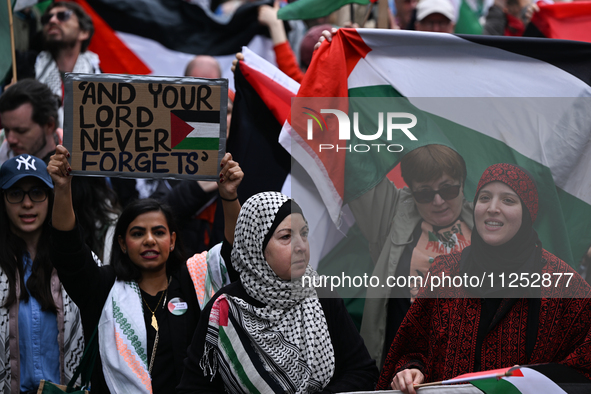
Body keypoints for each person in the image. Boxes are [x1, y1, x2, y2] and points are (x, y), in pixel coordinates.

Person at [380, 163, 591, 393]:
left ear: (528, 212)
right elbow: (411, 350)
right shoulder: (445, 273)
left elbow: (584, 368)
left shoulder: (563, 284)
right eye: (484, 198)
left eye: (508, 200)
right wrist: (410, 370)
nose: (492, 208)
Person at [47, 145, 243, 393]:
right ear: (122, 243)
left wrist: (229, 195)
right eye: (138, 233)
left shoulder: (193, 282)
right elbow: (68, 252)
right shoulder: (104, 286)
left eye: (159, 232)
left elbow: (236, 254)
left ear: (172, 241)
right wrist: (63, 189)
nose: (149, 240)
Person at [177, 191, 379, 393]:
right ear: (256, 245)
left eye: (304, 234)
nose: (301, 246)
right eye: (286, 237)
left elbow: (362, 371)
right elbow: (193, 388)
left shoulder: (321, 293)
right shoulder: (225, 309)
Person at [347, 145, 474, 367]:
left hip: (473, 367)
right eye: (425, 193)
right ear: (411, 192)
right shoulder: (392, 215)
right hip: (406, 372)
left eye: (448, 190)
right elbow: (356, 167)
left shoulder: (486, 222)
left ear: (462, 184)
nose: (438, 201)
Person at [0, 154, 84, 393]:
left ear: (51, 197)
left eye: (37, 192)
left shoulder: (77, 265)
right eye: (15, 193)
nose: (27, 204)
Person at [36, 1, 100, 126]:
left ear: (84, 33)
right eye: (47, 18)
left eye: (63, 16)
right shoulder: (23, 68)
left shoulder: (101, 79)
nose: (53, 20)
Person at [0, 79, 60, 165]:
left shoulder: (72, 172)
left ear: (49, 125)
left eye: (21, 131)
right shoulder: (3, 157)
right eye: (6, 130)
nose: (10, 139)